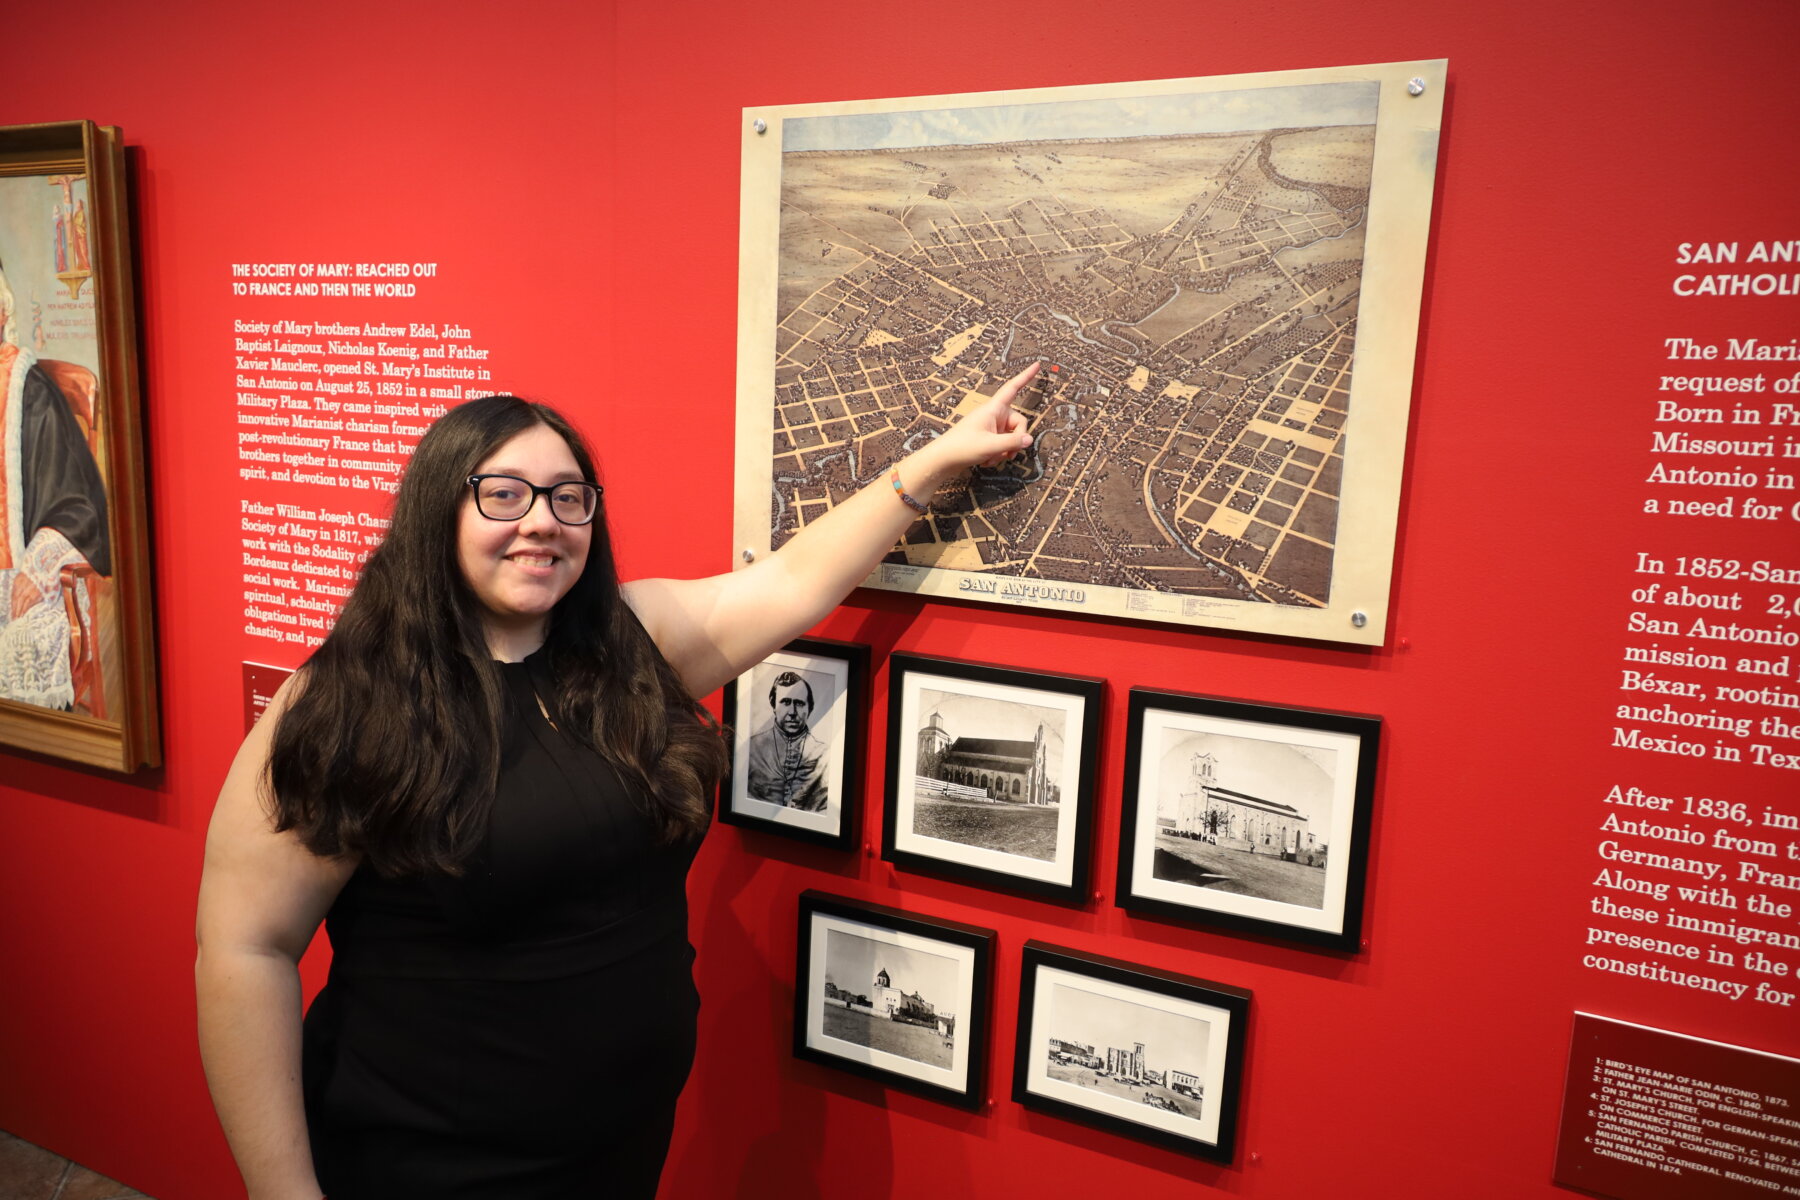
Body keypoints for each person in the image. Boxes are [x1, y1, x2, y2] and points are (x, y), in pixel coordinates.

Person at [194, 362, 1039, 1199]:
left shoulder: (632, 642)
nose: (542, 522)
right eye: (504, 495)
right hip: (429, 1160)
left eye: (569, 497)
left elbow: (793, 581)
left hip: (619, 1148)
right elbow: (245, 948)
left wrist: (938, 462)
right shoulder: (351, 698)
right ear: (437, 512)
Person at [0, 261, 112, 710]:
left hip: (21, 570)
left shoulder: (28, 390)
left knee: (26, 634)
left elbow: (76, 502)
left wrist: (38, 568)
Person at [744, 669, 829, 810]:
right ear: (773, 705)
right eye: (785, 702)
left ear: (810, 707)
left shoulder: (824, 755)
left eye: (800, 703)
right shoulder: (751, 747)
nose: (792, 712)